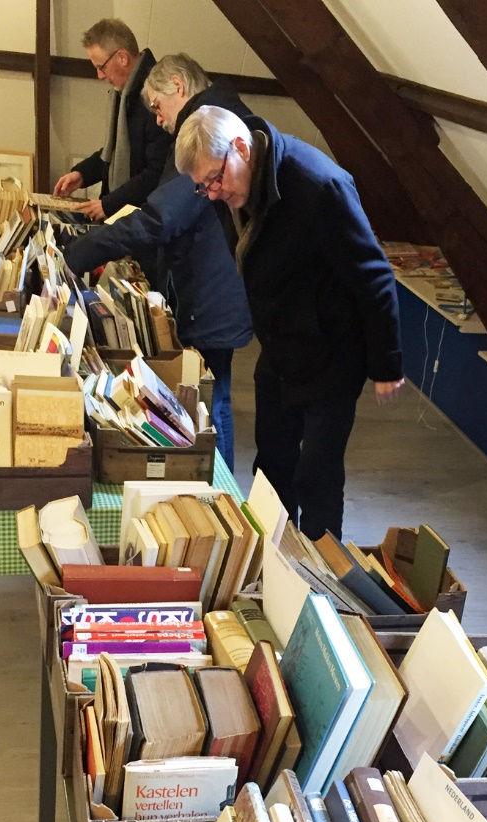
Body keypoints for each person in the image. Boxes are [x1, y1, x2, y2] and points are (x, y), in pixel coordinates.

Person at [174, 106, 404, 540]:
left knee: (316, 477)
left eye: (214, 179)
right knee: (273, 466)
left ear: (240, 148)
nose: (214, 193)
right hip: (281, 349)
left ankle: (321, 578)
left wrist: (386, 364)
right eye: (203, 188)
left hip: (332, 354)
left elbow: (374, 275)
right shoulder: (231, 188)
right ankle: (274, 562)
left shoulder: (319, 187)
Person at [64, 54, 253, 472]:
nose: (158, 119)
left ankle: (216, 485)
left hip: (214, 293)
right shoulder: (209, 122)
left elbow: (160, 217)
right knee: (210, 392)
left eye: (157, 107)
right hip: (212, 287)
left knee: (212, 397)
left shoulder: (205, 133)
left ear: (179, 88)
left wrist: (83, 252)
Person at [52, 19, 170, 223]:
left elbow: (155, 173)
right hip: (123, 211)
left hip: (141, 220)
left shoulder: (154, 95)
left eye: (101, 67)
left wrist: (109, 204)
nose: (99, 75)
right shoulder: (123, 94)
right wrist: (82, 174)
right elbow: (113, 153)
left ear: (122, 58)